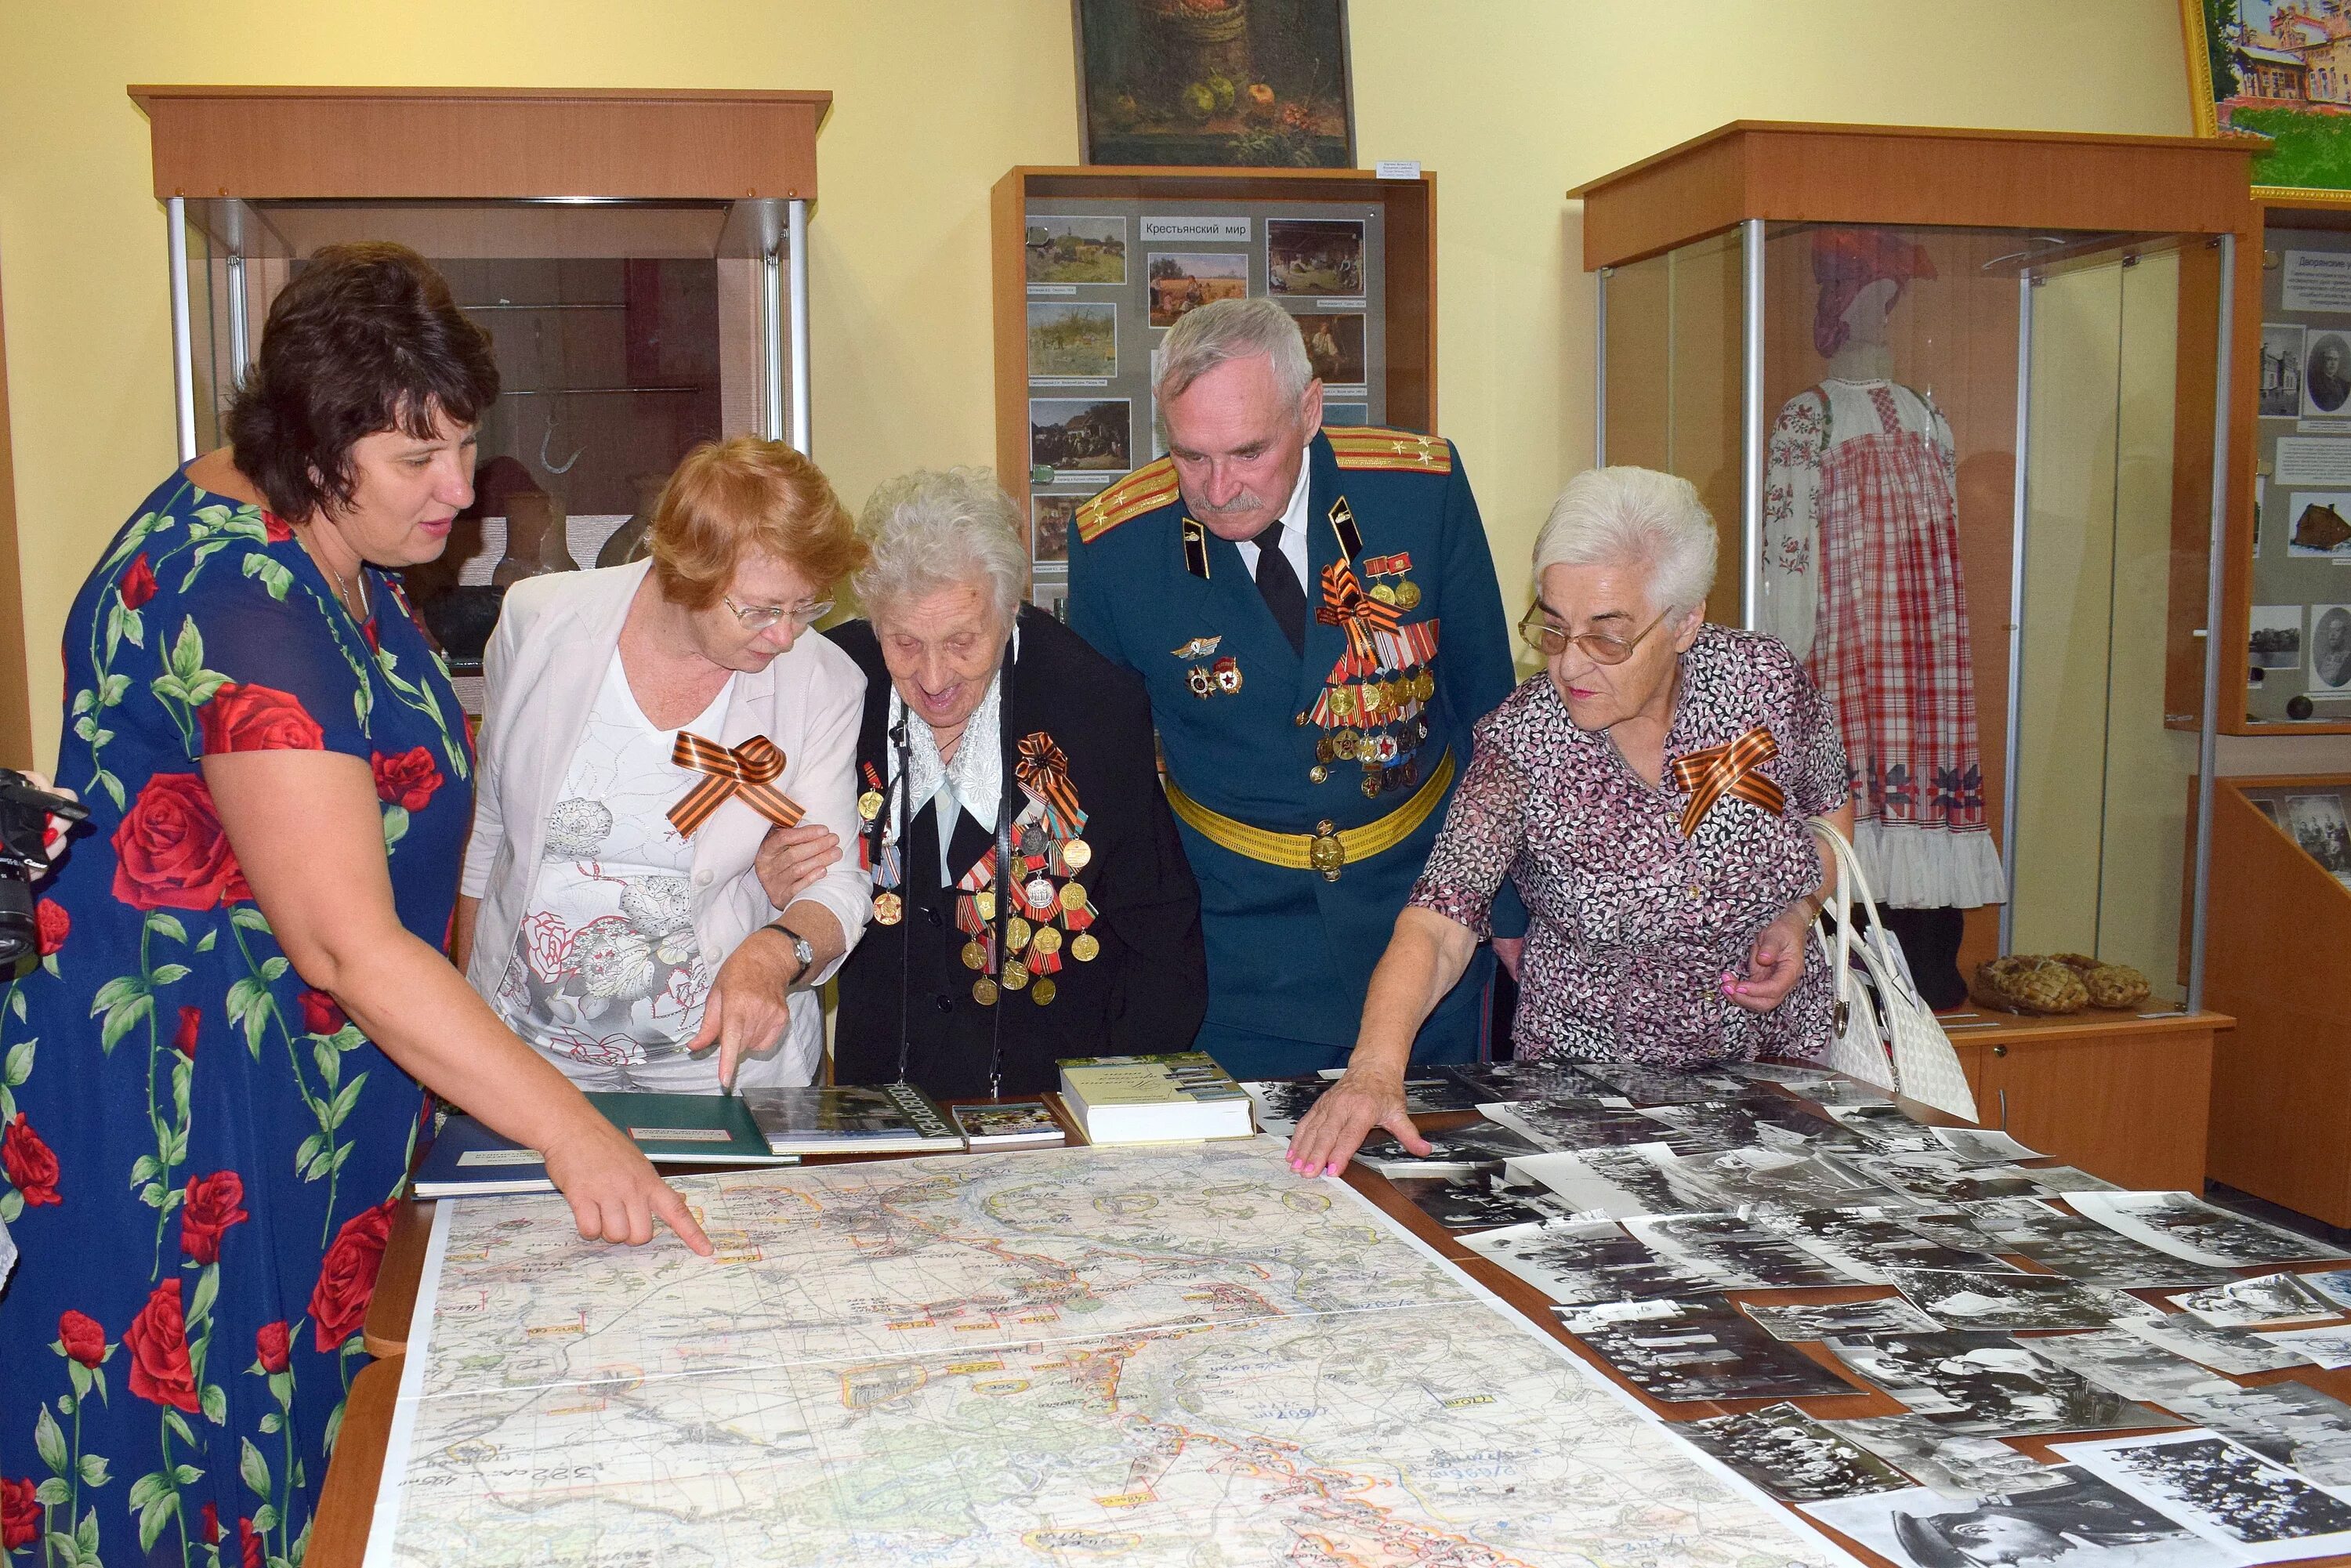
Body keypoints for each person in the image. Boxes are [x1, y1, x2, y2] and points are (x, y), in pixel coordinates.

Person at [0, 242, 710, 1565]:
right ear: (311, 447)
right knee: (197, 1486)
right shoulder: (238, 594)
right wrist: (573, 1131)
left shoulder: (334, 549)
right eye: (414, 461)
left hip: (299, 1104)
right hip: (190, 1126)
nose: (461, 491)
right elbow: (341, 937)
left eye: (464, 446)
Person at [1289, 467, 1853, 1175]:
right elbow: (1439, 924)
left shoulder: (1763, 681)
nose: (1570, 664)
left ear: (1684, 622)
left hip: (1777, 1084)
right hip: (1596, 1109)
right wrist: (1373, 1068)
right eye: (1554, 628)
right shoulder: (1522, 746)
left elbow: (1827, 808)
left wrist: (1798, 913)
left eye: (1608, 637)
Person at [1067, 298, 1519, 1081]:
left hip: (1421, 921)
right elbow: (1109, 779)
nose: (1216, 488)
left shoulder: (1419, 491)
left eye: (1247, 452)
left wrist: (1509, 909)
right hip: (1234, 952)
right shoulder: (1118, 546)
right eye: (1189, 457)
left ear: (1309, 411)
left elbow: (1492, 714)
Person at [455, 437, 869, 1090]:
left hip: (718, 1067)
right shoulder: (539, 624)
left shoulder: (821, 680)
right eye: (762, 609)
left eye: (805, 606)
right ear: (687, 574)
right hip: (530, 1061)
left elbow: (836, 884)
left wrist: (774, 951)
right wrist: (466, 1025)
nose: (787, 635)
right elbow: (491, 833)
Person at [828, 469, 1205, 1098]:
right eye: (904, 642)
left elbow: (1161, 933)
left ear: (1010, 612)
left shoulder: (1094, 707)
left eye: (961, 641)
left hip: (1051, 1096)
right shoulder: (835, 688)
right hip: (880, 1103)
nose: (933, 675)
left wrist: (1122, 1107)